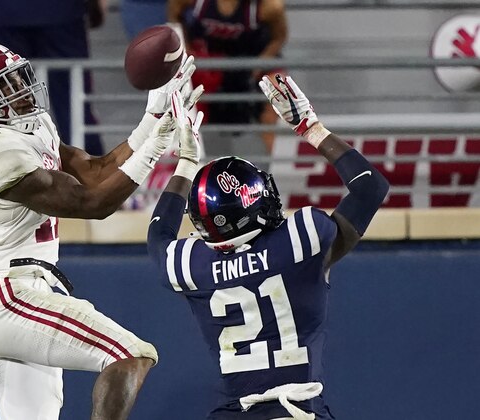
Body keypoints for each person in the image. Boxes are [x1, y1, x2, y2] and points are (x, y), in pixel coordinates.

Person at [0, 42, 202, 420]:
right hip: (5, 293)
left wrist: (152, 119)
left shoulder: (28, 127)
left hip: (20, 292)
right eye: (5, 85)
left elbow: (94, 172)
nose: (21, 87)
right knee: (129, 355)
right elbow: (93, 204)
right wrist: (157, 149)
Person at [147, 74, 389, 419]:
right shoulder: (301, 241)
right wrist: (310, 127)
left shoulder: (193, 265)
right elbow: (370, 188)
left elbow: (159, 235)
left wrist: (185, 163)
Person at [0, 0, 106, 155]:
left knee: (4, 103)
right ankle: (90, 174)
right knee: (74, 102)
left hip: (3, 12)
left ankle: (7, 172)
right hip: (62, 11)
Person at [168, 0, 288, 153]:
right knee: (181, 103)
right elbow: (175, 17)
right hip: (209, 61)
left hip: (252, 59)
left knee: (280, 95)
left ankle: (275, 168)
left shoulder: (269, 6)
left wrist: (256, 67)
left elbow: (279, 37)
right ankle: (189, 165)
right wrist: (189, 50)